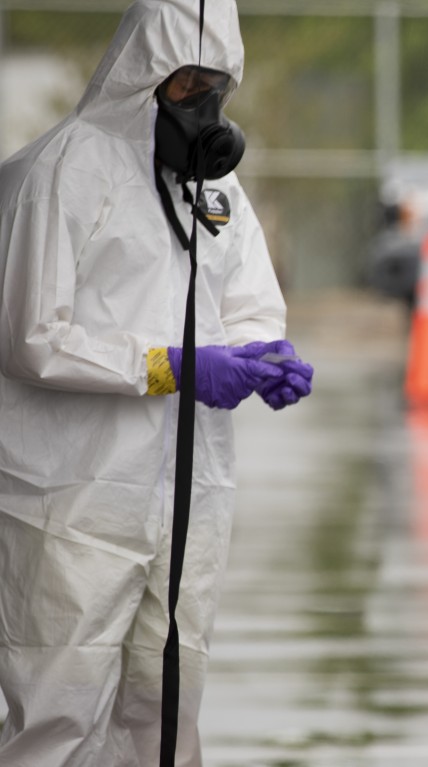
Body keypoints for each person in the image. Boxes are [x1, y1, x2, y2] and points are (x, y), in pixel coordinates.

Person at [0, 1, 312, 764]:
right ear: (144, 76)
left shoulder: (212, 189)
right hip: (72, 497)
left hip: (186, 495)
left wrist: (264, 355)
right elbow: (32, 337)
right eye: (189, 84)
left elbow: (247, 305)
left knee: (164, 711)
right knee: (58, 713)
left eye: (220, 86)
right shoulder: (65, 169)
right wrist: (171, 364)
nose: (207, 104)